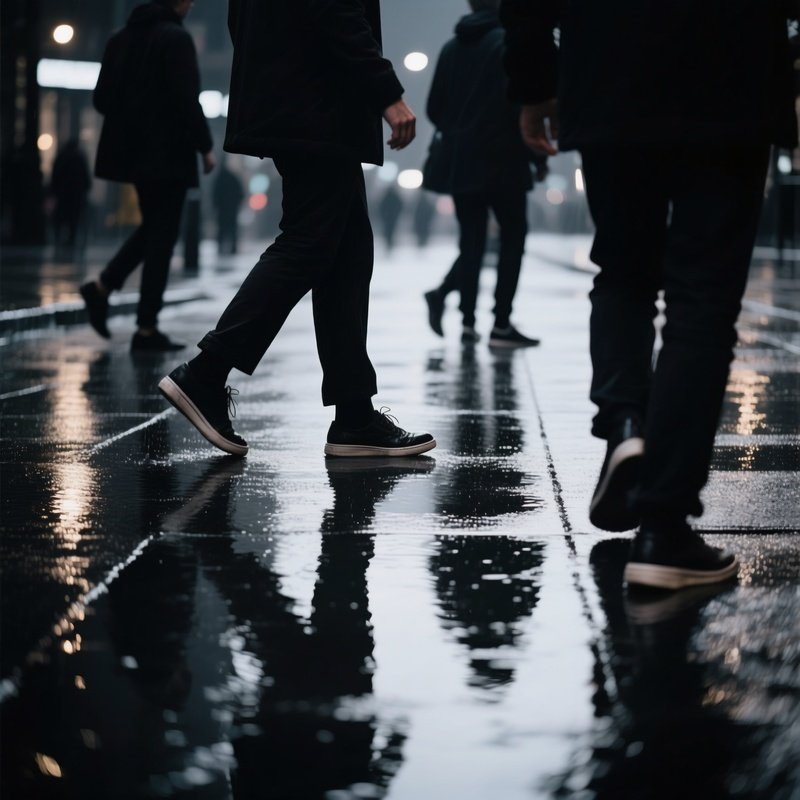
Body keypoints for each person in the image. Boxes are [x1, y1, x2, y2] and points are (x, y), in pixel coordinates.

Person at [500, 0, 798, 588]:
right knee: (703, 300)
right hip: (730, 71)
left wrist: (535, 85)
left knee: (623, 272)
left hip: (610, 70)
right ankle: (664, 525)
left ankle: (625, 427)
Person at [158, 0, 435, 459]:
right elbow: (339, 13)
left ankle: (354, 414)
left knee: (347, 252)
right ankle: (206, 372)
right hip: (317, 106)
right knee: (309, 241)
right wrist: (387, 94)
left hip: (297, 100)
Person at [80, 0, 215, 352]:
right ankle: (145, 327)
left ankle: (104, 289)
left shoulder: (119, 39)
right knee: (162, 236)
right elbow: (188, 98)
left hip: (133, 154)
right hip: (169, 153)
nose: (192, 4)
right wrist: (205, 146)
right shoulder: (175, 39)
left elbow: (101, 99)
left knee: (155, 228)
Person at [422, 0, 541, 347]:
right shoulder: (508, 42)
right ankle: (501, 323)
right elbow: (520, 102)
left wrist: (461, 131)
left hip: (463, 161)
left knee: (471, 241)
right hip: (505, 158)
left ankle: (467, 322)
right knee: (512, 238)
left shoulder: (450, 47)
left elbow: (434, 109)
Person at [50, 138, 92, 259]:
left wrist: (55, 191)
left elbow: (55, 177)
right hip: (76, 195)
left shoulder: (61, 157)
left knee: (61, 219)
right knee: (74, 219)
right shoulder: (79, 158)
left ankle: (59, 239)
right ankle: (71, 240)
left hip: (63, 194)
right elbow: (86, 178)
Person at [212, 159, 245, 255]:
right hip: (232, 208)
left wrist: (215, 206)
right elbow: (240, 193)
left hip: (222, 209)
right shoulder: (233, 178)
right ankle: (233, 248)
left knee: (222, 229)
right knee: (232, 228)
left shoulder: (219, 179)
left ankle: (221, 248)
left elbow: (215, 194)